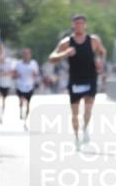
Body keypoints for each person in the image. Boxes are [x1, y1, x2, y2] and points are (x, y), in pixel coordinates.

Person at [49, 15, 106, 147]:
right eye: (76, 23)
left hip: (90, 78)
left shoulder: (93, 40)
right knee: (75, 112)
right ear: (72, 25)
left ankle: (85, 128)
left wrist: (100, 61)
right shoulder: (66, 42)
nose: (79, 26)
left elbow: (102, 52)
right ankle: (76, 138)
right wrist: (65, 54)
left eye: (81, 23)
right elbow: (51, 57)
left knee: (88, 107)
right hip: (75, 79)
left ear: (85, 25)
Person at [13, 48, 40, 130]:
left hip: (29, 86)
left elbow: (36, 73)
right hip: (20, 85)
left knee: (28, 104)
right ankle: (21, 110)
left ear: (30, 55)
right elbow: (14, 74)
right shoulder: (18, 63)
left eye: (27, 54)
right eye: (24, 54)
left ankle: (26, 119)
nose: (26, 55)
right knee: (21, 100)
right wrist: (16, 75)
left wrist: (33, 74)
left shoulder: (33, 63)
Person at [0, 43, 15, 124]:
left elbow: (12, 72)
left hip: (5, 83)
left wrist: (4, 74)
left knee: (3, 101)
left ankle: (1, 115)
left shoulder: (8, 61)